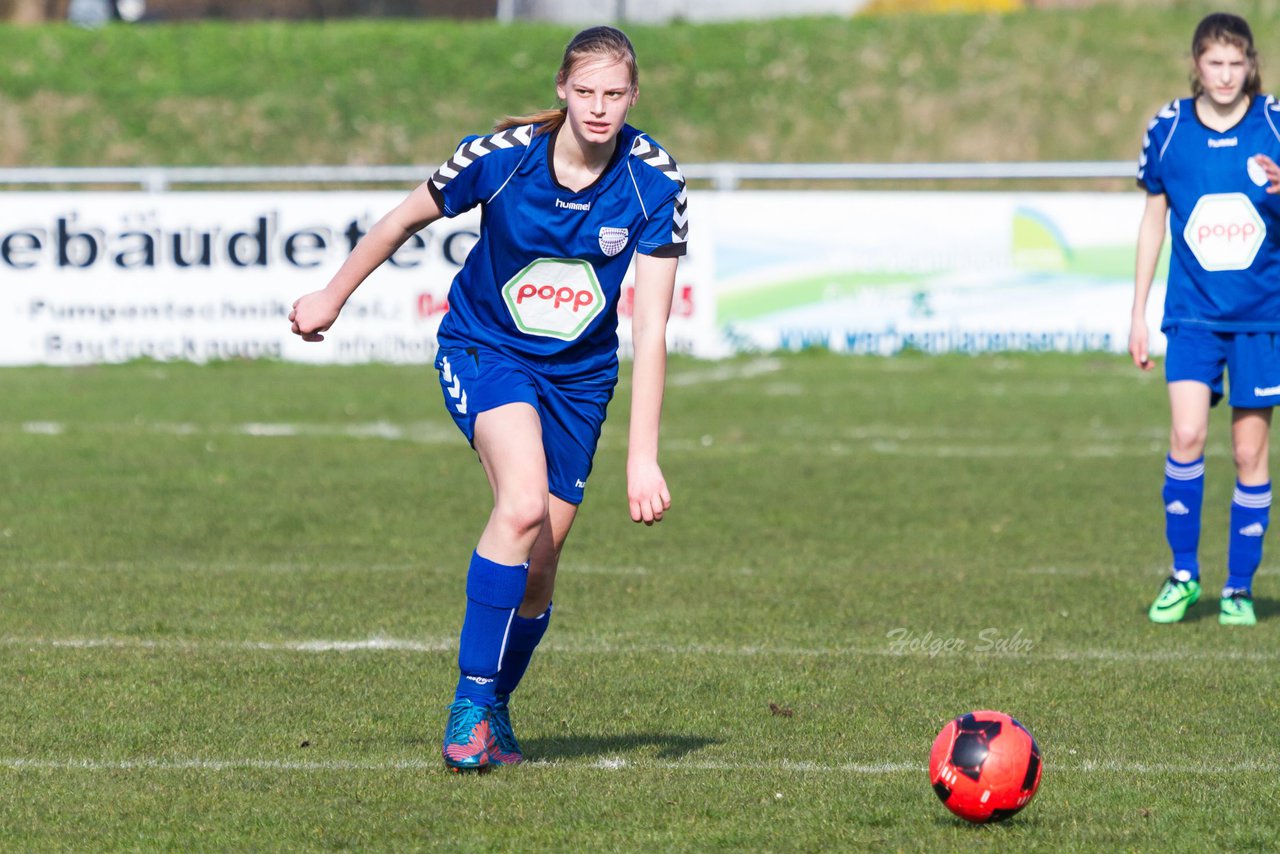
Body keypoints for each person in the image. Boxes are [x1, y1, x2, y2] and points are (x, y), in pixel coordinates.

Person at [289, 25, 687, 770]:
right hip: (486, 350)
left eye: (615, 94)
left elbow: (653, 322)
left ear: (633, 97)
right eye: (586, 92)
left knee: (541, 566)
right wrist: (332, 295)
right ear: (562, 91)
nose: (599, 108)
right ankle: (469, 705)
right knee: (522, 507)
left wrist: (644, 458)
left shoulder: (654, 179)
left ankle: (495, 705)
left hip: (578, 378)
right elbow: (405, 217)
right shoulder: (500, 159)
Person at [1131, 12, 1280, 626]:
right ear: (1196, 64)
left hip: (1261, 318)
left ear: (1250, 65)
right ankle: (1184, 575)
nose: (1225, 74)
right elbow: (1152, 220)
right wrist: (1137, 313)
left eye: (1235, 63)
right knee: (1187, 437)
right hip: (1190, 315)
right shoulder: (1169, 130)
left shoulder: (1274, 124)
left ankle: (1239, 588)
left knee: (1249, 453)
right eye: (1214, 63)